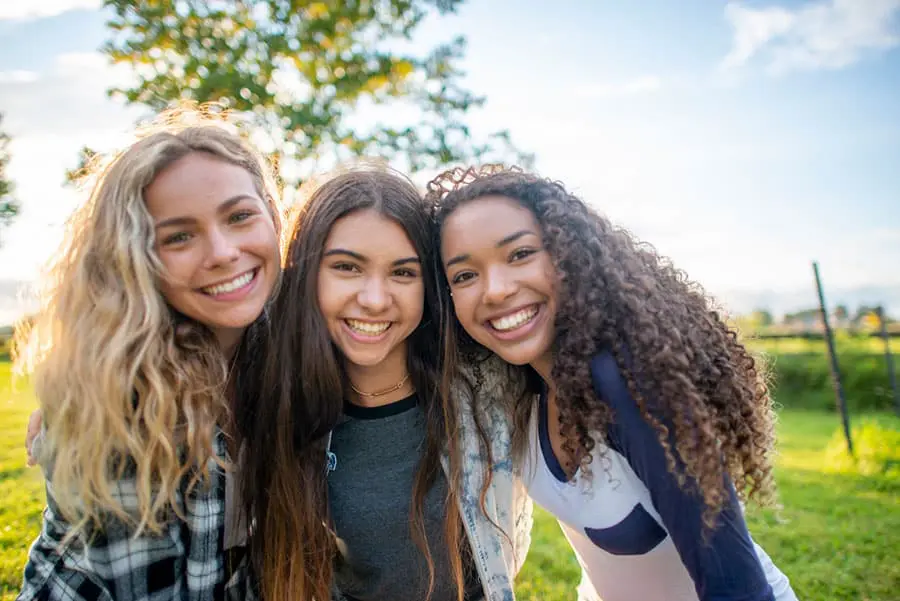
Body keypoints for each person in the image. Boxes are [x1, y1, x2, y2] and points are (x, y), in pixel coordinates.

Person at [427, 166, 799, 601]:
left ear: (569, 255)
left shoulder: (630, 384)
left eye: (520, 254)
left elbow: (737, 587)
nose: (494, 290)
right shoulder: (512, 386)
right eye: (465, 275)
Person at [15, 108, 288, 601]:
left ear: (273, 217)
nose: (223, 251)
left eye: (240, 216)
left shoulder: (277, 344)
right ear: (134, 258)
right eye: (179, 236)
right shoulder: (125, 403)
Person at [235, 167, 532, 601]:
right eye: (346, 267)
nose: (374, 299)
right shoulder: (283, 399)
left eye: (402, 273)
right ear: (306, 273)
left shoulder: (487, 383)